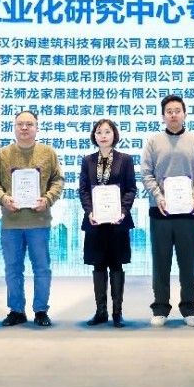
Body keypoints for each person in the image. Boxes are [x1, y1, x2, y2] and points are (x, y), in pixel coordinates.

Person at [0, 110, 64, 327]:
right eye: (20, 124)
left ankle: (41, 310)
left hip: (39, 221)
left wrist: (47, 199)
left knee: (42, 268)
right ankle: (16, 310)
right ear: (14, 127)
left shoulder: (48, 153)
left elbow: (58, 180)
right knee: (13, 269)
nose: (24, 128)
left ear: (37, 127)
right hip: (11, 222)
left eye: (29, 124)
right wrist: (3, 198)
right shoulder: (3, 154)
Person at [141, 95, 194, 327]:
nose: (173, 114)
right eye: (169, 111)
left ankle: (189, 308)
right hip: (160, 211)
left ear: (184, 114)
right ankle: (160, 307)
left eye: (177, 110)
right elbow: (146, 173)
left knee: (188, 263)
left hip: (188, 212)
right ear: (163, 116)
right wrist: (158, 196)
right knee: (161, 262)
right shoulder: (154, 142)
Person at [78, 119, 137, 328]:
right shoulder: (87, 160)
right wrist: (89, 211)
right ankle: (100, 311)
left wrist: (123, 210)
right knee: (99, 264)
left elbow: (131, 189)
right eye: (99, 132)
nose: (103, 136)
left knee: (116, 264)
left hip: (117, 221)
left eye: (107, 132)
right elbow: (83, 189)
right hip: (95, 221)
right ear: (94, 136)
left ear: (114, 135)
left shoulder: (125, 159)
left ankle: (117, 313)